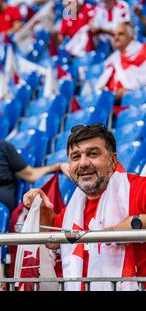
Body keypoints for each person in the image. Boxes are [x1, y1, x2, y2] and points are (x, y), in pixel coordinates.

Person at [23, 124, 146, 291]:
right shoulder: (72, 209)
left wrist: (128, 227)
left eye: (93, 154)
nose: (83, 163)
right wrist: (43, 210)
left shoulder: (138, 189)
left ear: (113, 160)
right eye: (75, 157)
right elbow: (52, 243)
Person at [96, 22, 146, 103]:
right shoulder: (112, 58)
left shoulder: (143, 50)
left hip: (133, 102)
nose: (116, 37)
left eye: (121, 34)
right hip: (109, 102)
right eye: (113, 35)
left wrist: (127, 91)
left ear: (132, 36)